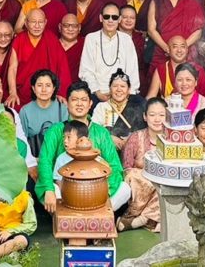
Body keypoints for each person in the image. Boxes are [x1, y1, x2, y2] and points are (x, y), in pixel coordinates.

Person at [35, 84, 127, 212]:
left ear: (90, 104)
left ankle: (96, 214)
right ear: (67, 103)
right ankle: (70, 217)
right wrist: (48, 189)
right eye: (74, 100)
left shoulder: (101, 132)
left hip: (96, 191)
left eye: (83, 100)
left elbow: (114, 166)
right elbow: (45, 161)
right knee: (51, 190)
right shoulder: (55, 130)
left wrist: (104, 190)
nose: (79, 104)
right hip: (65, 190)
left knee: (125, 189)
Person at [118, 97, 165, 231]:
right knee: (133, 174)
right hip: (138, 186)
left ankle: (141, 220)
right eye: (152, 115)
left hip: (161, 185)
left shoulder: (172, 141)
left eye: (161, 115)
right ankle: (150, 218)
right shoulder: (135, 138)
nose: (157, 119)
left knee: (165, 184)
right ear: (145, 116)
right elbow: (126, 169)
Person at [147, 0, 205, 76]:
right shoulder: (156, 1)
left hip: (186, 53)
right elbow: (151, 30)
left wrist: (182, 48)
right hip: (162, 51)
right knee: (159, 80)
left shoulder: (192, 2)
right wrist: (167, 48)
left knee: (186, 80)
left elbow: (198, 31)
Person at [79, 3, 140, 101]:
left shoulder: (126, 39)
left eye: (114, 17)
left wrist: (126, 94)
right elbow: (86, 71)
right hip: (97, 92)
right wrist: (97, 92)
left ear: (119, 19)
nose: (110, 20)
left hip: (123, 93)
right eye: (107, 17)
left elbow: (132, 71)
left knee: (141, 105)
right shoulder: (91, 38)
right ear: (101, 18)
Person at [90, 70, 145, 149]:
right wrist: (109, 137)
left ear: (129, 90)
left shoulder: (136, 108)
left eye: (122, 86)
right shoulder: (101, 107)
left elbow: (143, 134)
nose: (119, 89)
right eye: (115, 86)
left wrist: (131, 140)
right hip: (107, 149)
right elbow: (94, 130)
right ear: (110, 88)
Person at [19, 70, 69, 154]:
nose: (44, 90)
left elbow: (68, 138)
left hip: (59, 156)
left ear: (53, 88)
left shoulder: (63, 109)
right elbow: (22, 141)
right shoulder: (25, 111)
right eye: (39, 85)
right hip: (35, 156)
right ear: (33, 88)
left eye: (48, 85)